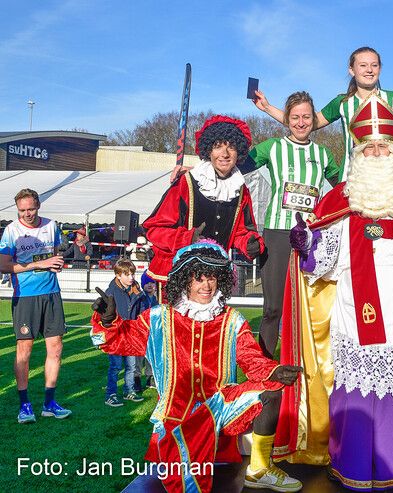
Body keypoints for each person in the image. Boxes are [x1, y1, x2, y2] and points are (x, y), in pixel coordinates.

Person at [274, 94, 393, 490]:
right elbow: (321, 261)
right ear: (358, 154)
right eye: (369, 147)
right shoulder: (339, 198)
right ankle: (355, 466)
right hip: (352, 315)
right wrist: (306, 245)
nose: (377, 153)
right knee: (356, 394)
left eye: (384, 146)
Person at [90, 241, 303, 493]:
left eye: (212, 278)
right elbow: (118, 340)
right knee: (186, 485)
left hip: (221, 405)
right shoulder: (159, 318)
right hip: (176, 415)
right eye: (198, 278)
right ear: (184, 280)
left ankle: (258, 469)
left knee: (270, 392)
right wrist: (108, 319)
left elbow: (251, 358)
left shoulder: (231, 320)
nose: (206, 285)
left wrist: (273, 371)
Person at [253, 46, 393, 181]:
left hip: (387, 180)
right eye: (363, 65)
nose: (369, 70)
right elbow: (304, 125)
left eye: (374, 65)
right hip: (351, 181)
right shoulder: (342, 102)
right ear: (352, 69)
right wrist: (267, 108)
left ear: (380, 68)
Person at [246, 91, 340, 359]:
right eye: (296, 117)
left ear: (314, 120)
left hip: (312, 238)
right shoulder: (273, 147)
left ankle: (299, 367)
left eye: (306, 117)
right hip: (277, 233)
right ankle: (264, 368)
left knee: (304, 309)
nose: (301, 122)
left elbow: (341, 189)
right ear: (287, 119)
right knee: (273, 307)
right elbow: (233, 163)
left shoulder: (323, 154)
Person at [143, 115, 264, 293]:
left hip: (213, 277)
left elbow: (241, 231)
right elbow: (154, 229)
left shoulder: (240, 189)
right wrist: (187, 238)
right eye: (218, 147)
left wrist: (249, 243)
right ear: (208, 151)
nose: (224, 154)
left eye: (231, 147)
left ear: (239, 152)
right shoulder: (187, 183)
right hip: (176, 275)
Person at [0, 188, 71, 423]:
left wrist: (56, 264)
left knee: (56, 348)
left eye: (31, 209)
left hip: (52, 293)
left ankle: (49, 402)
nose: (27, 214)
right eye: (22, 210)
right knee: (24, 351)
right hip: (26, 296)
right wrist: (37, 265)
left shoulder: (51, 226)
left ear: (38, 205)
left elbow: (55, 254)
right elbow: (4, 265)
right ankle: (25, 405)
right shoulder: (11, 230)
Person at [103, 259, 152, 406]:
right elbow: (104, 315)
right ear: (118, 275)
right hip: (116, 334)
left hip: (131, 333)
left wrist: (141, 324)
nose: (131, 277)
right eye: (127, 274)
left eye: (132, 274)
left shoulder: (138, 291)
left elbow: (143, 311)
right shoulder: (111, 291)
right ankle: (110, 394)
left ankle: (128, 390)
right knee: (115, 366)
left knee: (131, 365)